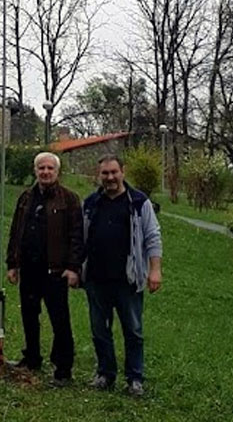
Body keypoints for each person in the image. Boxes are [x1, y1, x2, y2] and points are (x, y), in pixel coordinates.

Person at [82, 154, 162, 397]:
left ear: (122, 172)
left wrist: (155, 270)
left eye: (114, 172)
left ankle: (134, 378)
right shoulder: (91, 203)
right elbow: (80, 237)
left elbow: (153, 236)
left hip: (128, 280)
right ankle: (105, 374)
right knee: (99, 330)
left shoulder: (138, 202)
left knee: (133, 331)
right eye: (105, 173)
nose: (110, 178)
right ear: (99, 175)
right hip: (96, 278)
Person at [5, 151, 83, 384]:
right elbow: (16, 231)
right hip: (29, 268)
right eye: (41, 168)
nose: (45, 172)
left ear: (57, 172)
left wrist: (73, 267)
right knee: (29, 315)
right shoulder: (26, 198)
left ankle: (63, 369)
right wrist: (13, 264)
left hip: (55, 270)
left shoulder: (69, 199)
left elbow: (77, 236)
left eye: (50, 168)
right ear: (35, 170)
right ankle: (32, 358)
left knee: (60, 320)